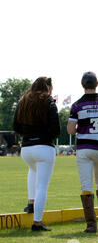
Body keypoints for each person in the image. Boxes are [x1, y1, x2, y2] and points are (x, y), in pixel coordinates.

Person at [67, 72, 98, 233]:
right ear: (97, 83)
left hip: (84, 149)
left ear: (82, 85)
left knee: (86, 185)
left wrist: (81, 127)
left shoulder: (76, 106)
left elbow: (70, 130)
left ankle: (91, 225)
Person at [13, 77, 60, 231]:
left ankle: (31, 203)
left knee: (32, 171)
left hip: (26, 148)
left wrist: (29, 133)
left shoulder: (23, 101)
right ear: (48, 87)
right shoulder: (49, 101)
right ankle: (37, 222)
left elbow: (16, 126)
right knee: (42, 186)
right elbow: (56, 129)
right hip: (44, 147)